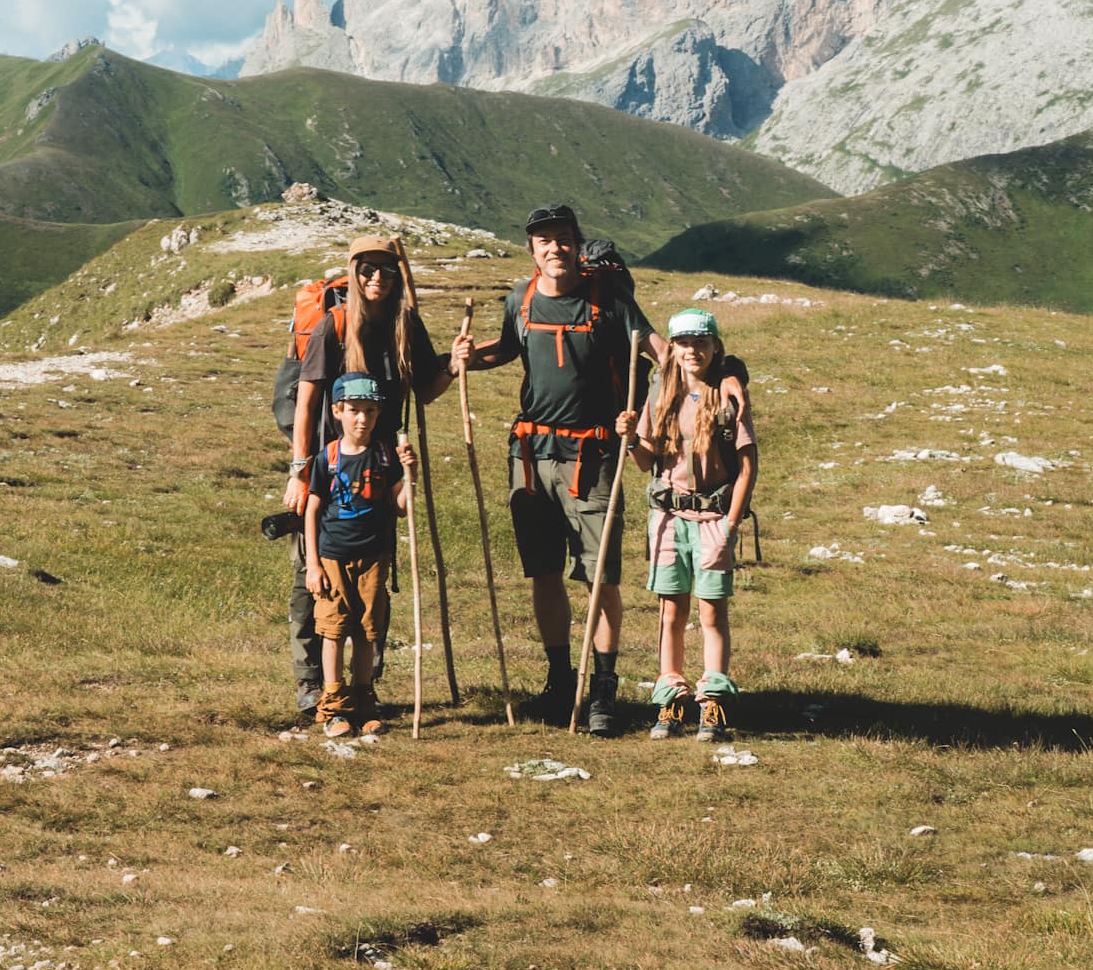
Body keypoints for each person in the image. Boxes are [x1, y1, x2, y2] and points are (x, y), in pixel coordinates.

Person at [454, 203, 667, 734]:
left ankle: (603, 692)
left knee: (600, 580)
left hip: (594, 459)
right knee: (543, 572)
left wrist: (654, 419)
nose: (555, 248)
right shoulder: (519, 302)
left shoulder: (611, 302)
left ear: (577, 243)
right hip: (530, 457)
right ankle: (557, 681)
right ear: (532, 249)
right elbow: (505, 350)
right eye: (544, 240)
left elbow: (662, 355)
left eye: (563, 238)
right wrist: (466, 356)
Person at [282, 235, 463, 714]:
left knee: (372, 576)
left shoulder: (407, 324)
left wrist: (453, 367)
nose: (376, 278)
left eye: (386, 269)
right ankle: (311, 683)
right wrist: (301, 471)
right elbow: (306, 402)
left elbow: (425, 390)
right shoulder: (333, 326)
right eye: (367, 269)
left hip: (382, 471)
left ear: (398, 275)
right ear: (354, 271)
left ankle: (364, 685)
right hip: (330, 466)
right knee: (313, 575)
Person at [618, 307, 756, 742]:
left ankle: (713, 699)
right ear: (673, 349)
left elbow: (748, 466)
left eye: (701, 342)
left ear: (716, 347)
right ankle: (670, 696)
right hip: (668, 518)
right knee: (670, 612)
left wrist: (731, 525)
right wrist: (628, 439)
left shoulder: (729, 396)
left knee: (712, 612)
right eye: (683, 343)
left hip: (713, 518)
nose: (692, 350)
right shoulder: (661, 395)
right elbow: (645, 462)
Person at [303, 373, 416, 737]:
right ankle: (334, 706)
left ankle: (365, 701)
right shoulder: (328, 457)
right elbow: (312, 510)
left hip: (374, 557)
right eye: (353, 410)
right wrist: (313, 565)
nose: (362, 419)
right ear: (337, 411)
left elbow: (400, 507)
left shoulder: (385, 456)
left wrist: (411, 475)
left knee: (368, 631)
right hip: (333, 557)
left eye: (370, 410)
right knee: (334, 629)